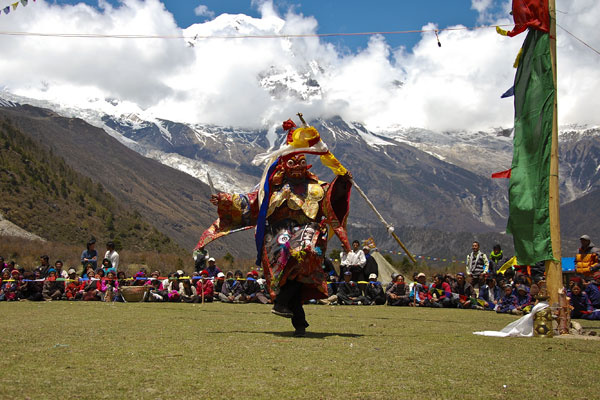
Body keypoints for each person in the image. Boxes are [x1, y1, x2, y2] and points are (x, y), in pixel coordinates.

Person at [196, 119, 353, 337]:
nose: (297, 166)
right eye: (292, 162)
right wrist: (223, 199)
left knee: (301, 254)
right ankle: (298, 321)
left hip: (308, 232)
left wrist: (343, 181)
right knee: (290, 277)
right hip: (277, 237)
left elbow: (333, 201)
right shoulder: (270, 189)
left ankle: (282, 303)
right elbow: (247, 202)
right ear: (283, 166)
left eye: (300, 161)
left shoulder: (318, 187)